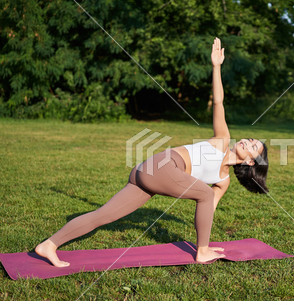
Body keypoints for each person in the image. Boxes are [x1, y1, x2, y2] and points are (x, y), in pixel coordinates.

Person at [35, 37, 269, 267]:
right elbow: (219, 102)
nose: (248, 142)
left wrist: (204, 232)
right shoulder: (222, 139)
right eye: (250, 139)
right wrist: (216, 67)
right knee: (205, 194)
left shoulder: (223, 181)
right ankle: (203, 252)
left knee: (104, 215)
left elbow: (207, 211)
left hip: (147, 176)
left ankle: (49, 245)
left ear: (250, 162)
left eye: (253, 146)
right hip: (163, 167)